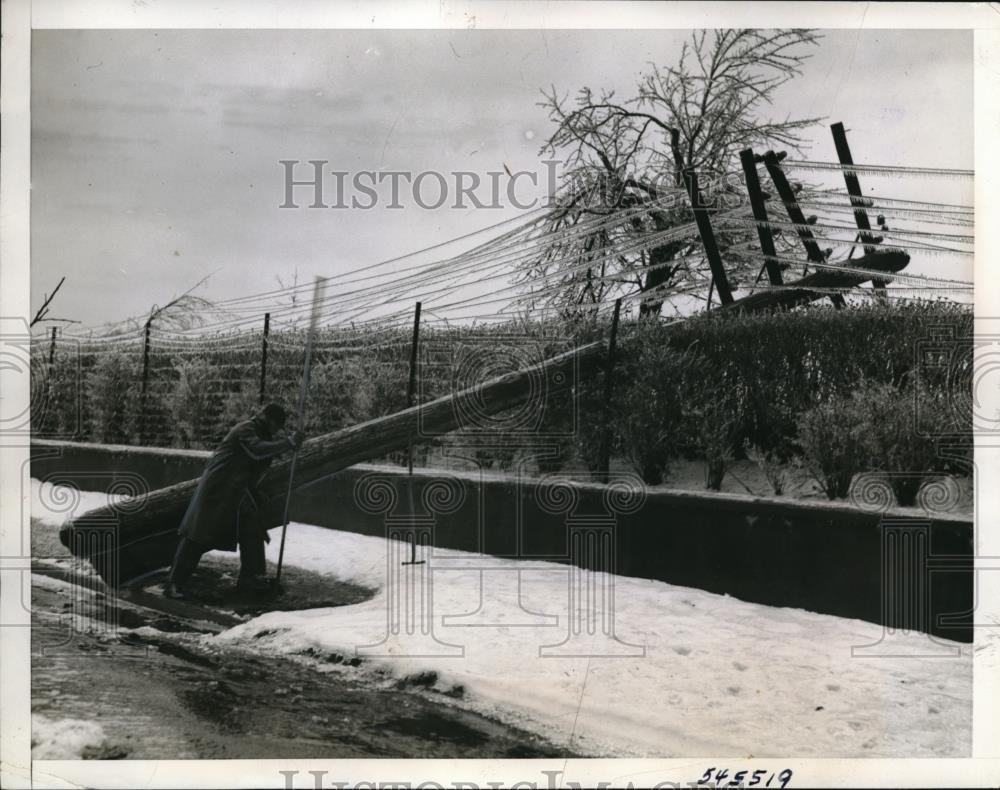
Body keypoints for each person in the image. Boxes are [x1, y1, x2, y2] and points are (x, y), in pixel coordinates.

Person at [164, 402, 304, 598]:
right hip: (217, 490)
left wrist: (291, 446)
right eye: (275, 426)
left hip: (237, 492)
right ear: (267, 419)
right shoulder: (245, 429)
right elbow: (257, 450)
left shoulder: (263, 434)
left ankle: (252, 578)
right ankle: (173, 584)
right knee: (196, 536)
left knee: (252, 527)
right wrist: (288, 443)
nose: (275, 431)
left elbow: (263, 458)